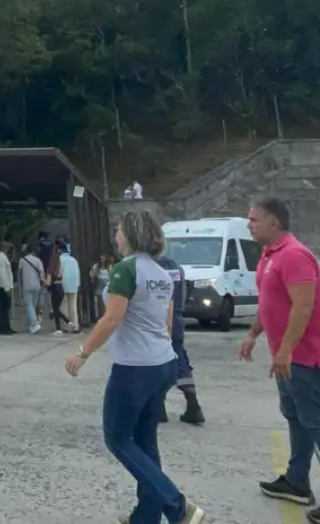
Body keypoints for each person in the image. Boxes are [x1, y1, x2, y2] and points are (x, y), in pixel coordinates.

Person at [65, 210, 204, 524]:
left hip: (135, 368)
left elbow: (112, 318)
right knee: (144, 440)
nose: (115, 235)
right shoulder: (162, 272)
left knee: (118, 438)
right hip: (163, 362)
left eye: (118, 229)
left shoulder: (125, 270)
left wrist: (82, 352)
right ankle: (146, 516)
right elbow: (167, 325)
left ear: (129, 234)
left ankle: (177, 507)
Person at [240, 198, 320, 524]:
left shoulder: (294, 255)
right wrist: (254, 333)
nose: (249, 224)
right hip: (288, 357)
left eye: (254, 219)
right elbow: (271, 303)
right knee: (295, 416)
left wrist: (285, 351)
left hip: (305, 357)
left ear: (274, 224)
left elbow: (303, 307)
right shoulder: (269, 256)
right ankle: (297, 481)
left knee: (318, 422)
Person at [156, 253, 205, 426]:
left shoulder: (153, 267)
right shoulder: (176, 267)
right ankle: (192, 403)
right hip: (177, 320)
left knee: (157, 363)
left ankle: (158, 407)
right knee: (179, 361)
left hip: (158, 321)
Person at [19, 243, 45, 334]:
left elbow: (19, 272)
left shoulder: (22, 260)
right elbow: (42, 273)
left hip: (26, 285)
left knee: (29, 305)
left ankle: (34, 324)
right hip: (37, 285)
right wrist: (42, 283)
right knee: (33, 305)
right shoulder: (38, 260)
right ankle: (30, 325)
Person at [44, 250, 70, 335]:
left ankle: (59, 328)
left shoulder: (50, 270)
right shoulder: (60, 269)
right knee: (57, 309)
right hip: (61, 288)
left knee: (55, 310)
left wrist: (42, 279)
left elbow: (48, 282)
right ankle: (68, 322)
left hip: (54, 290)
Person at [59, 237, 81, 333]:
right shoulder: (74, 260)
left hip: (63, 285)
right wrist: (78, 284)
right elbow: (78, 272)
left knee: (63, 306)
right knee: (73, 306)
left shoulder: (60, 259)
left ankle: (66, 325)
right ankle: (75, 326)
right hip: (74, 285)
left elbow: (59, 272)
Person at [0, 240, 15, 335]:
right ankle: (3, 328)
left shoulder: (3, 257)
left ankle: (7, 326)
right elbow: (3, 274)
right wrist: (7, 288)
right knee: (4, 307)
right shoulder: (1, 258)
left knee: (6, 307)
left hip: (5, 286)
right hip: (2, 286)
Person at [92, 254, 112, 319]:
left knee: (106, 302)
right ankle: (101, 316)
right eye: (101, 259)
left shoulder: (109, 266)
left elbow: (111, 275)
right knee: (100, 302)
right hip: (99, 284)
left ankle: (106, 316)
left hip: (107, 284)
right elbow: (92, 275)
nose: (102, 260)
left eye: (103, 258)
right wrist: (95, 272)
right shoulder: (96, 266)